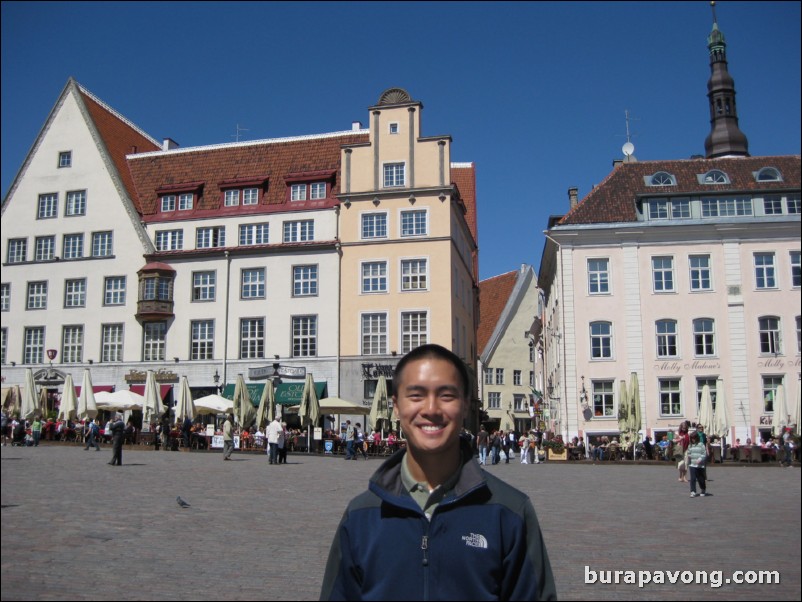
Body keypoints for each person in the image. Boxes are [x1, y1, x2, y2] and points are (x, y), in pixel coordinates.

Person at [320, 344, 556, 600]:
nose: (431, 409)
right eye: (416, 395)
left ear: (465, 405)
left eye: (446, 396)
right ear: (396, 406)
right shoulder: (361, 517)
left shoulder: (509, 512)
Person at [686, 430, 708, 497]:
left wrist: (700, 459)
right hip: (692, 464)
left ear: (697, 438)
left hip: (700, 465)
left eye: (694, 438)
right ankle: (693, 491)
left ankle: (703, 489)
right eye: (692, 438)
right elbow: (688, 453)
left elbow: (704, 454)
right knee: (693, 479)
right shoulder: (690, 445)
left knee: (701, 479)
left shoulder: (701, 445)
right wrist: (689, 456)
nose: (693, 440)